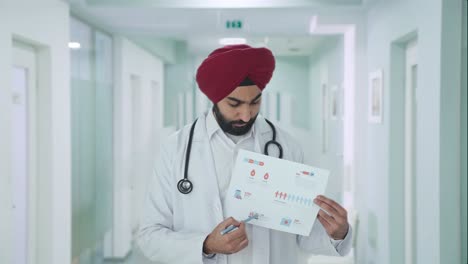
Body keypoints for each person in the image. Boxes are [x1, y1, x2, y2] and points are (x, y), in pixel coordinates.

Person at [137, 44, 353, 264]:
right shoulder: (175, 149)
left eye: (255, 102)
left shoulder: (287, 147)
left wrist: (337, 234)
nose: (246, 114)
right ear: (215, 99)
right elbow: (149, 236)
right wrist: (207, 244)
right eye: (234, 104)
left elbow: (301, 232)